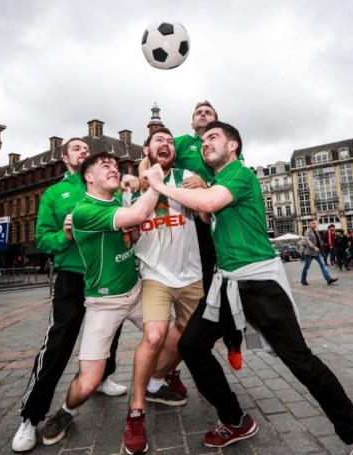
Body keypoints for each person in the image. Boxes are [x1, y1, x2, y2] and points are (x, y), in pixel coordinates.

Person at [142, 121, 353, 454]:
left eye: (213, 138)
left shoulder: (239, 174)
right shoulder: (216, 180)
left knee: (301, 362)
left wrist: (161, 184)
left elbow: (210, 205)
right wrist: (196, 195)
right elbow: (207, 214)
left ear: (234, 147)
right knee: (192, 346)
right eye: (202, 141)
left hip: (258, 282)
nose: (204, 144)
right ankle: (234, 419)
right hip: (226, 285)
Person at [12, 139, 129, 453]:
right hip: (73, 276)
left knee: (111, 334)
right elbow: (42, 239)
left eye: (85, 148)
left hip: (105, 274)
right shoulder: (54, 193)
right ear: (64, 158)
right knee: (58, 344)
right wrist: (63, 235)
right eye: (76, 148)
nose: (84, 151)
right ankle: (30, 416)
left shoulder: (111, 188)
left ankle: (103, 378)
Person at [41, 151, 162, 455]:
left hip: (135, 294)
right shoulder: (83, 211)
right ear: (88, 178)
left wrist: (133, 231)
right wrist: (156, 184)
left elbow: (131, 231)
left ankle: (155, 384)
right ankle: (66, 411)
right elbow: (136, 215)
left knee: (172, 338)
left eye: (115, 165)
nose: (113, 168)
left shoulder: (120, 200)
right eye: (104, 165)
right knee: (89, 382)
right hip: (103, 303)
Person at [140, 100, 243, 374]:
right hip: (193, 220)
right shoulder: (182, 142)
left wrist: (206, 184)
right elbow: (149, 158)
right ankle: (175, 363)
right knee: (207, 289)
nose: (203, 115)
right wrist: (142, 178)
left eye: (208, 113)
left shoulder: (225, 145)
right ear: (192, 122)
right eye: (199, 113)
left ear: (217, 122)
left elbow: (232, 181)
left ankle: (234, 340)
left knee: (230, 281)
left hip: (221, 217)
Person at [124, 128, 208, 444]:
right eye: (159, 140)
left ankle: (159, 378)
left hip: (191, 274)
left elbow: (204, 214)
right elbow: (127, 228)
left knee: (190, 337)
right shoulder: (132, 185)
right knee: (155, 335)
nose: (166, 144)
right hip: (155, 274)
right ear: (146, 149)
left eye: (171, 141)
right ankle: (136, 411)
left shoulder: (186, 176)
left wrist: (204, 187)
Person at [301, 219, 338, 286]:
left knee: (323, 265)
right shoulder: (307, 231)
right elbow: (307, 241)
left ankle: (328, 279)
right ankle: (303, 280)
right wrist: (313, 247)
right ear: (309, 224)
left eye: (315, 223)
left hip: (317, 253)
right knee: (306, 267)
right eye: (312, 223)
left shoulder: (316, 232)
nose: (314, 225)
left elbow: (319, 241)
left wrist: (322, 248)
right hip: (309, 253)